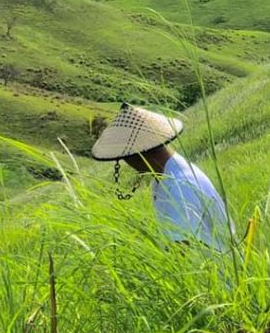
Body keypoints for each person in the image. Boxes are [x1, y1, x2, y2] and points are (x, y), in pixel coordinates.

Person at [91, 103, 232, 250]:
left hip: (215, 269)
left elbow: (182, 251)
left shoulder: (178, 186)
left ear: (135, 156)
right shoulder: (167, 175)